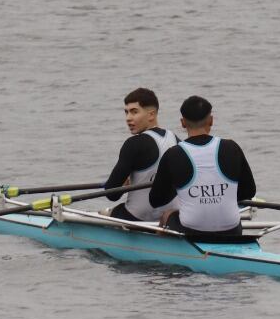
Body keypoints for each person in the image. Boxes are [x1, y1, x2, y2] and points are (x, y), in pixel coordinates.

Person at [148, 95, 257, 243]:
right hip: (232, 231)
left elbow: (156, 200)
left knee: (167, 214)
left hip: (191, 232)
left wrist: (179, 186)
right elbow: (249, 191)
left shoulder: (173, 154)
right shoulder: (231, 147)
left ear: (182, 123)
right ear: (211, 120)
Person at [102, 88, 178, 222]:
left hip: (137, 218)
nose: (128, 118)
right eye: (126, 112)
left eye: (134, 112)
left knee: (105, 212)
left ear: (151, 115)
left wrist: (123, 185)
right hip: (170, 217)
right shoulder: (176, 139)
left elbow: (111, 194)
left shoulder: (133, 144)